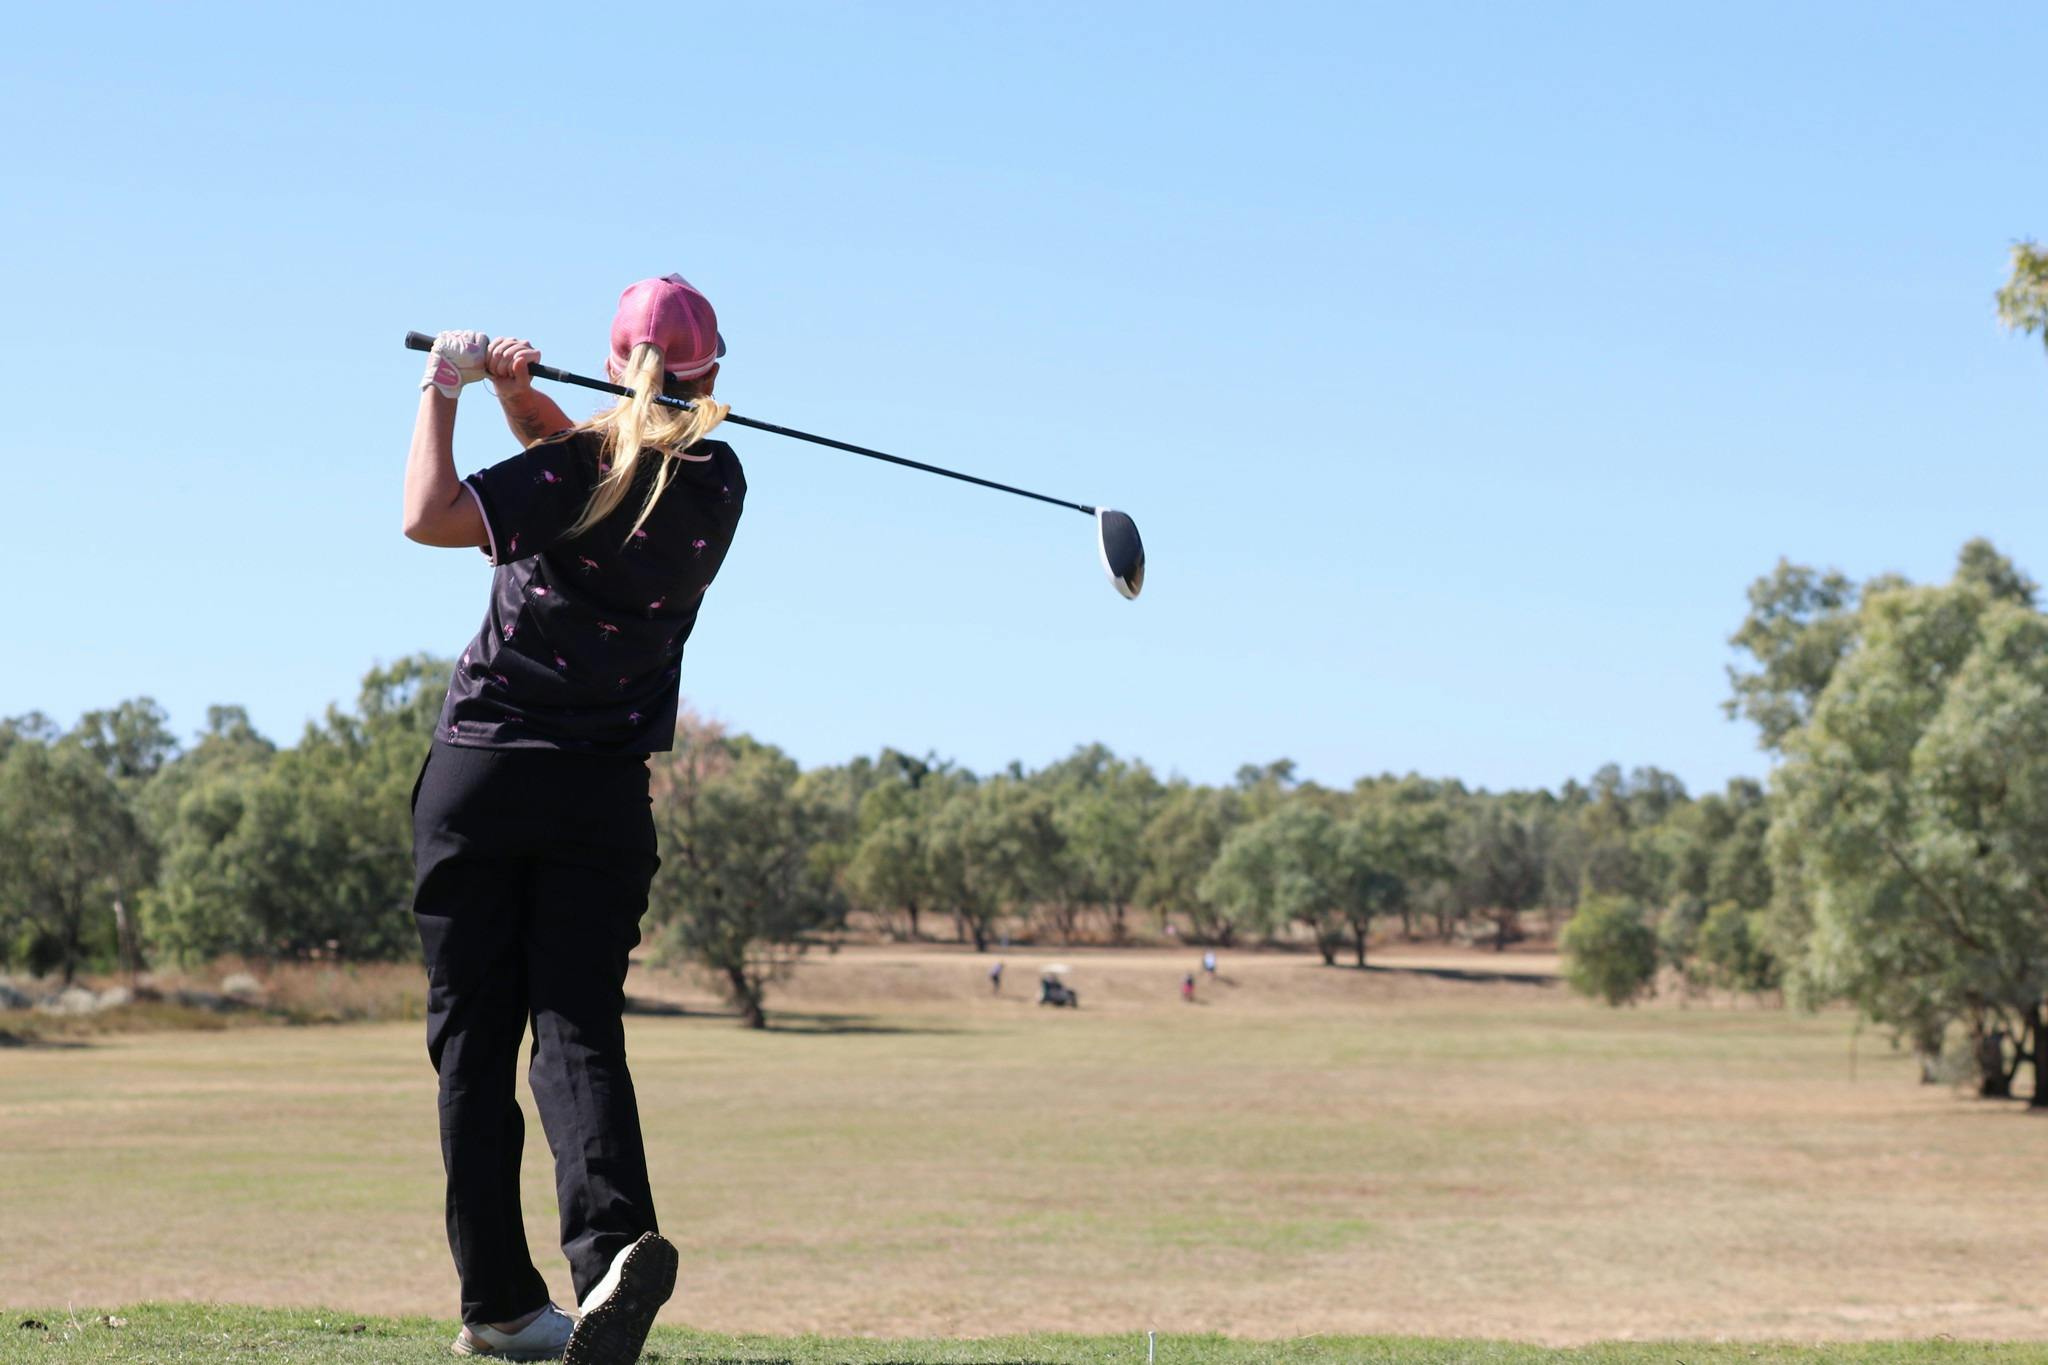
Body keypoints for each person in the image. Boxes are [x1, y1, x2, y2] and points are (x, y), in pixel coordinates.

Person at [402, 274, 742, 1364]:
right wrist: (515, 400)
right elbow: (598, 469)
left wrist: (443, 389)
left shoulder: (573, 470)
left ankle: (499, 1308)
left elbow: (429, 516)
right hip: (600, 795)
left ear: (609, 364)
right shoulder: (718, 484)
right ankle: (608, 1263)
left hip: (485, 775)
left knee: (473, 1042)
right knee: (576, 1028)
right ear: (713, 375)